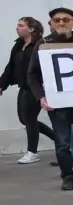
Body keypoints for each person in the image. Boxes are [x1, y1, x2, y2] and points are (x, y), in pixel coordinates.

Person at [28, 7, 73, 190]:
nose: (61, 23)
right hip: (58, 103)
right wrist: (41, 97)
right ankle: (67, 176)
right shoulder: (43, 44)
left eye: (66, 19)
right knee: (62, 143)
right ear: (51, 24)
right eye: (57, 20)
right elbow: (32, 75)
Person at [1, 16, 55, 164]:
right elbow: (10, 67)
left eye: (21, 25)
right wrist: (2, 85)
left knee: (29, 119)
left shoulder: (40, 45)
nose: (17, 28)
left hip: (36, 87)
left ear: (31, 28)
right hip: (24, 86)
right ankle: (58, 139)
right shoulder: (18, 45)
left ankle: (32, 152)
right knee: (24, 119)